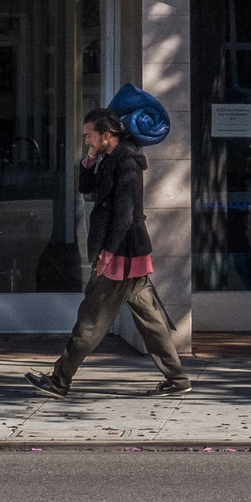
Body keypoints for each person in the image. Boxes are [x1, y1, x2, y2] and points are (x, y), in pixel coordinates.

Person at [26, 107, 191, 398]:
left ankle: (59, 380)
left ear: (107, 134)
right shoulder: (109, 158)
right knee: (151, 322)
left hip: (122, 255)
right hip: (131, 255)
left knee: (90, 320)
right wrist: (89, 160)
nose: (87, 140)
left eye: (90, 136)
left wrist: (108, 254)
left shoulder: (126, 162)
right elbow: (85, 188)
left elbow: (124, 216)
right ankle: (177, 380)